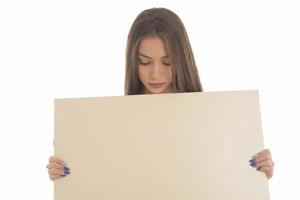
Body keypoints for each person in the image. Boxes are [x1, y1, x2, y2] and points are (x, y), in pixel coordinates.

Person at [47, 7, 274, 181]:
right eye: (145, 62)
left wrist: (258, 171)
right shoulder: (108, 124)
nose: (156, 74)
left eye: (167, 62)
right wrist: (66, 173)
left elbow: (225, 179)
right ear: (132, 63)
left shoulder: (215, 121)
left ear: (182, 61)